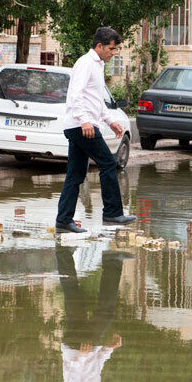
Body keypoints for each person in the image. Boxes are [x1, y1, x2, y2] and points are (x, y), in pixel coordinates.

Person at [56, 27, 136, 234]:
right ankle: (112, 212)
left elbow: (96, 101)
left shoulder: (98, 65)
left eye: (115, 49)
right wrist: (84, 121)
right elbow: (75, 94)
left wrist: (110, 121)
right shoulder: (85, 63)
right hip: (82, 126)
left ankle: (64, 220)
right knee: (109, 162)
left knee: (75, 174)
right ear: (99, 46)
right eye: (111, 48)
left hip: (83, 124)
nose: (114, 52)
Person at [56, 246, 129, 382]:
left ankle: (112, 261)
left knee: (105, 313)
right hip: (81, 347)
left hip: (78, 348)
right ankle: (63, 253)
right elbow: (95, 373)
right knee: (73, 296)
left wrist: (81, 357)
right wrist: (108, 350)